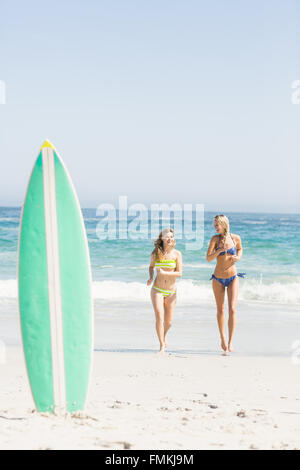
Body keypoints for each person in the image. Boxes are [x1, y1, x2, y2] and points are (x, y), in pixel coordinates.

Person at [206, 215, 245, 355]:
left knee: (233, 309)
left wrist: (238, 257)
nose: (215, 227)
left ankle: (230, 342)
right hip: (218, 278)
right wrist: (218, 251)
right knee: (221, 310)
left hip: (233, 277)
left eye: (217, 224)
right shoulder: (215, 239)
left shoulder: (235, 238)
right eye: (214, 225)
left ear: (224, 224)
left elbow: (240, 249)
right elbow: (208, 258)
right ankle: (222, 339)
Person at [147, 228, 182, 354]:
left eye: (171, 236)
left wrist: (164, 273)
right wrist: (151, 277)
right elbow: (151, 266)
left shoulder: (177, 254)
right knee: (159, 317)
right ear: (161, 238)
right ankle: (162, 345)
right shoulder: (156, 253)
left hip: (171, 291)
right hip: (157, 289)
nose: (169, 239)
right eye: (167, 236)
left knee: (169, 322)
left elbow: (179, 273)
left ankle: (164, 335)